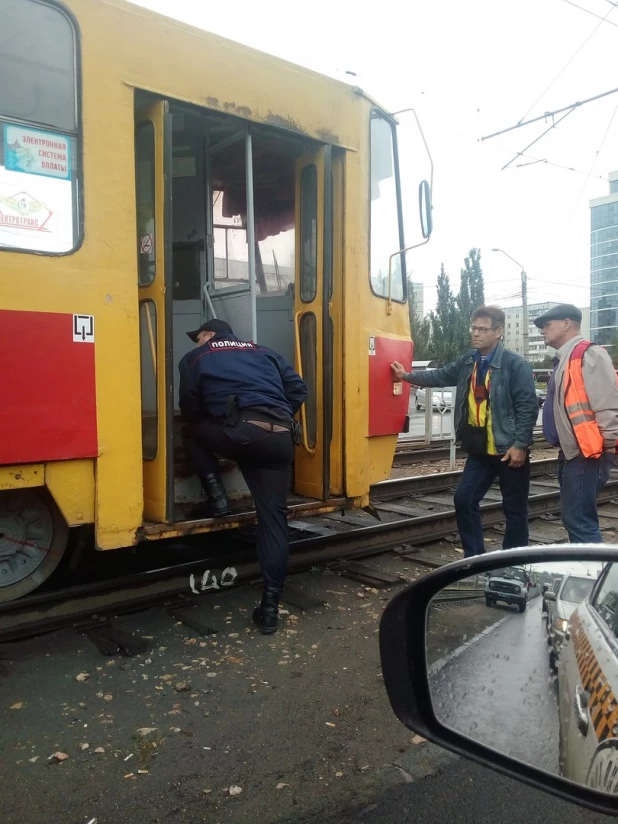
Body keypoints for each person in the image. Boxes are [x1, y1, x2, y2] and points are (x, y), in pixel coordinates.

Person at [178, 319, 307, 634]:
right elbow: (298, 389)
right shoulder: (265, 351)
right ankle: (270, 610)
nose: (197, 342)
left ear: (209, 335)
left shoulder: (197, 357)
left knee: (191, 432)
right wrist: (277, 414)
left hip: (242, 435)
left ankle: (218, 498)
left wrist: (222, 419)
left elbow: (190, 408)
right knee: (274, 523)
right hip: (280, 439)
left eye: (199, 337)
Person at [391, 305, 538, 557]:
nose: (476, 333)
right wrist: (405, 376)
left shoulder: (515, 365)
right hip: (480, 450)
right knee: (464, 499)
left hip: (508, 450)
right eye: (474, 328)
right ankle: (474, 558)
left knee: (515, 509)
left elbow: (528, 407)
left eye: (483, 329)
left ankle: (514, 561)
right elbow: (439, 376)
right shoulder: (468, 361)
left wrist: (520, 445)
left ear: (499, 332)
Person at [535, 303, 618, 543]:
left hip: (587, 453)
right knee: (575, 518)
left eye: (547, 325)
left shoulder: (588, 354)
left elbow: (607, 403)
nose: (542, 331)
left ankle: (594, 574)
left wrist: (610, 446)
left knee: (579, 520)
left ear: (567, 324)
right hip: (574, 452)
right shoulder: (566, 358)